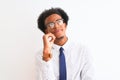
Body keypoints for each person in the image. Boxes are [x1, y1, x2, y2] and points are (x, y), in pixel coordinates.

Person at [36, 7, 94, 80]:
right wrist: (46, 54)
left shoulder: (82, 50)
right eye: (51, 24)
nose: (56, 26)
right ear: (46, 31)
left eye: (59, 21)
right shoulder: (40, 55)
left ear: (65, 25)